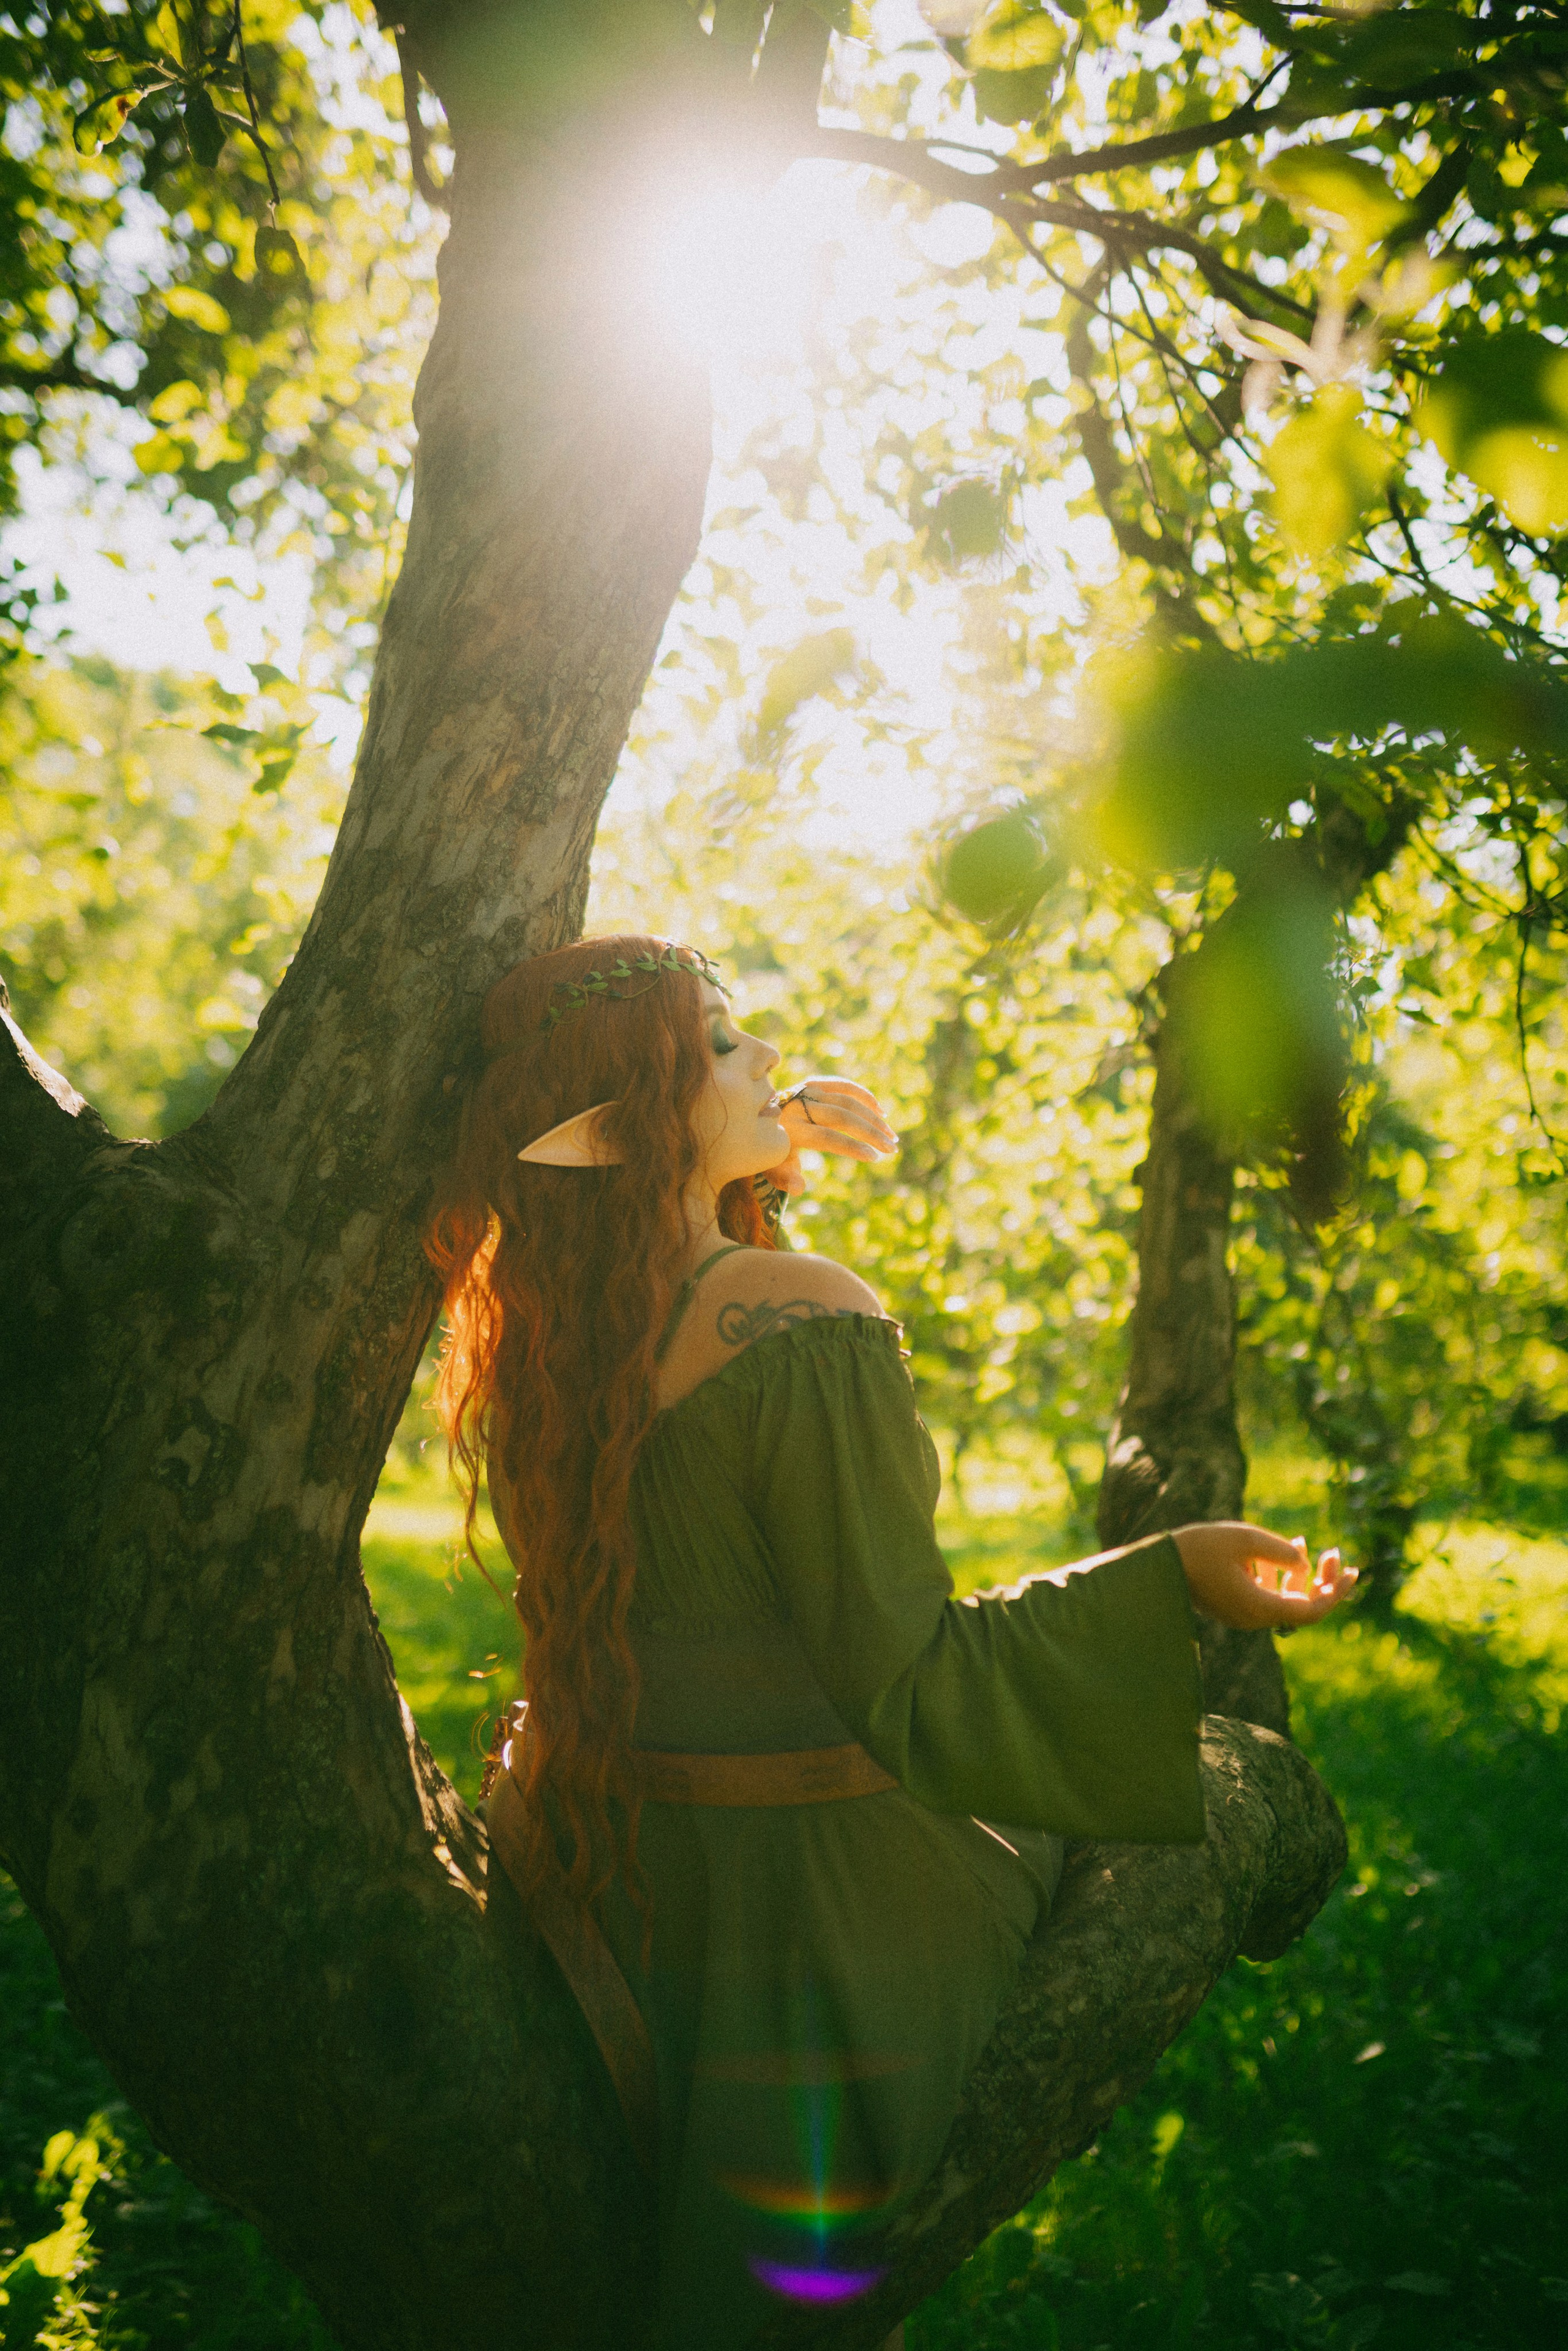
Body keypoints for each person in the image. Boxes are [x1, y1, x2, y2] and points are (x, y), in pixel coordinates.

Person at [426, 935, 1357, 2351]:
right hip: (811, 1901)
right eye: (725, 1047)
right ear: (647, 1109)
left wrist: (740, 1145)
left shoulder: (558, 1330)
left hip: (624, 1868)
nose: (768, 1063)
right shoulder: (804, 1314)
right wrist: (1169, 1569)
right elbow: (907, 1678)